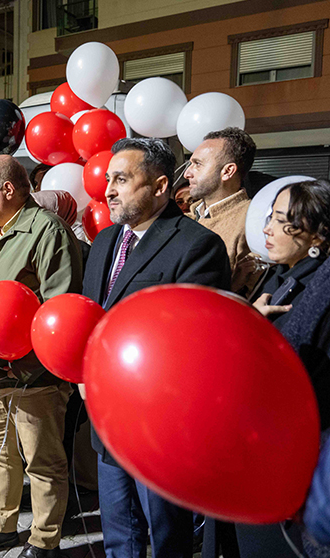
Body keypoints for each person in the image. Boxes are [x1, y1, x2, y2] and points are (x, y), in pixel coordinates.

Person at [82, 138, 231, 558]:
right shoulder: (104, 242)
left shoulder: (197, 245)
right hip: (106, 424)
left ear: (161, 186)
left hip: (160, 428)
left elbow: (197, 347)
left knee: (168, 541)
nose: (108, 189)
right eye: (108, 178)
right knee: (119, 537)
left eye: (122, 179)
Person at [201, 179, 330, 558]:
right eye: (269, 216)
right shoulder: (279, 276)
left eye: (281, 220)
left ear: (319, 232)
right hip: (259, 466)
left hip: (296, 477)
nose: (266, 227)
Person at [0, 155, 82, 558]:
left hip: (34, 380)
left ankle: (44, 541)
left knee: (43, 463)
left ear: (8, 189)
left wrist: (25, 360)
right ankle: (0, 525)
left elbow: (59, 308)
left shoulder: (47, 232)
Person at [184, 127, 260, 295]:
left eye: (197, 164)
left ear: (227, 171)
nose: (187, 174)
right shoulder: (184, 219)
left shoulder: (254, 221)